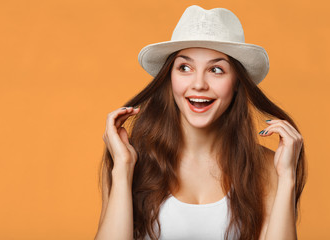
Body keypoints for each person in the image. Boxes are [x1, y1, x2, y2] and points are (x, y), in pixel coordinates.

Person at [95, 5, 307, 240]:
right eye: (184, 67)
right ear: (169, 78)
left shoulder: (268, 167)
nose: (198, 84)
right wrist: (123, 168)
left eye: (216, 70)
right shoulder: (128, 160)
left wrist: (287, 176)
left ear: (237, 82)